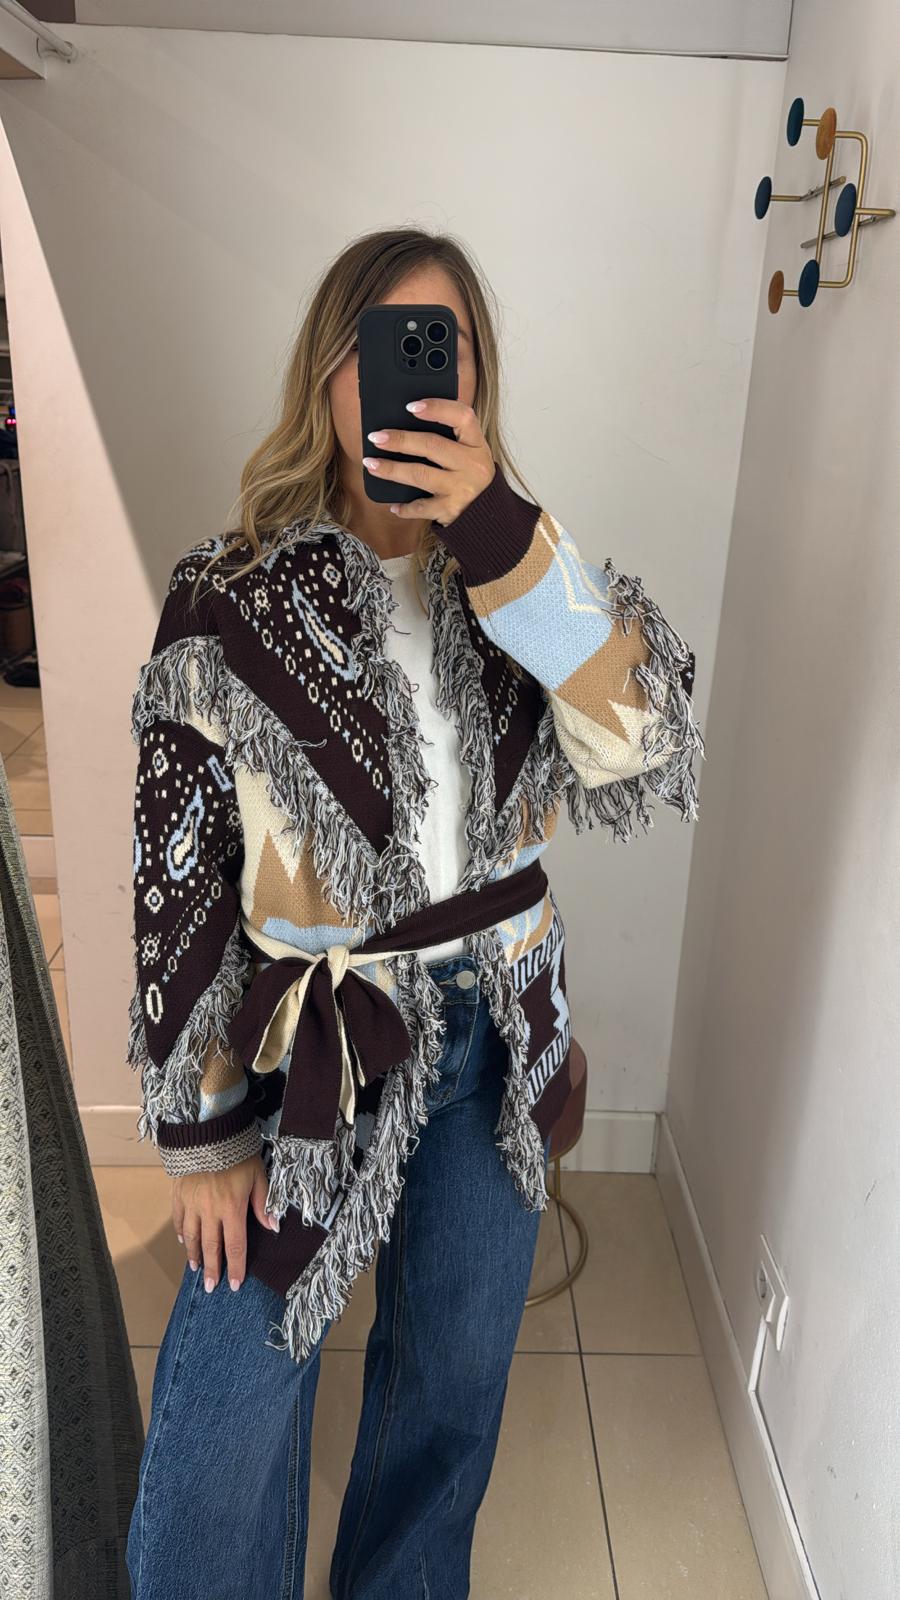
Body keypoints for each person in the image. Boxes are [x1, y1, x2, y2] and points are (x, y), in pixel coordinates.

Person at [124, 226, 703, 1600]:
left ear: (475, 383)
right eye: (383, 350)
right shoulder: (228, 595)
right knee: (225, 1428)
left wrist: (501, 532)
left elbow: (646, 739)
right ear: (329, 374)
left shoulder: (522, 575)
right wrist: (204, 1136)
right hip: (309, 1046)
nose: (412, 385)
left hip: (495, 1033)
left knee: (450, 1387)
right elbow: (176, 881)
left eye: (445, 355)